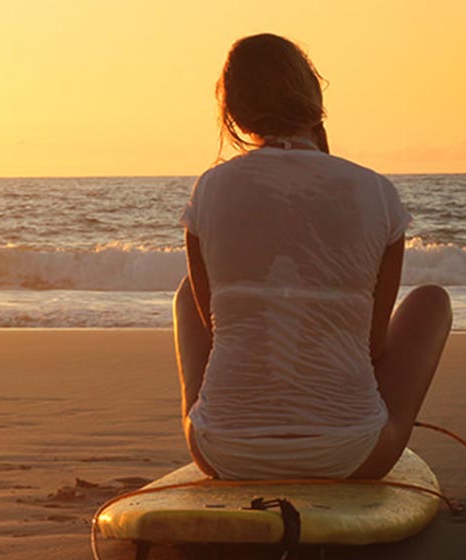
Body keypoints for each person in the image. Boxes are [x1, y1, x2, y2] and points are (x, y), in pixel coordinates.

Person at [174, 33, 451, 481]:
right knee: (433, 301)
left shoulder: (209, 189)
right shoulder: (376, 192)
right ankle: (337, 419)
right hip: (352, 455)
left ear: (234, 113)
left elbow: (214, 330)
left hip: (223, 453)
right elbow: (374, 346)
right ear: (312, 96)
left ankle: (226, 415)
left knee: (191, 294)